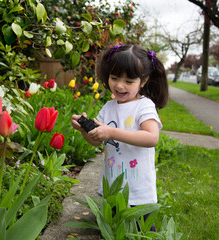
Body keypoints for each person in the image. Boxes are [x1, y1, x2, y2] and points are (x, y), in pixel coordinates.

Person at [71, 44, 168, 230]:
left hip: (138, 190)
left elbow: (151, 138)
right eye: (114, 78)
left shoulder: (144, 106)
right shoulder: (108, 107)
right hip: (112, 187)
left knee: (142, 232)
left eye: (129, 81)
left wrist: (112, 132)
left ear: (144, 80)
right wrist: (84, 129)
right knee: (114, 231)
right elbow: (96, 140)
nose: (119, 85)